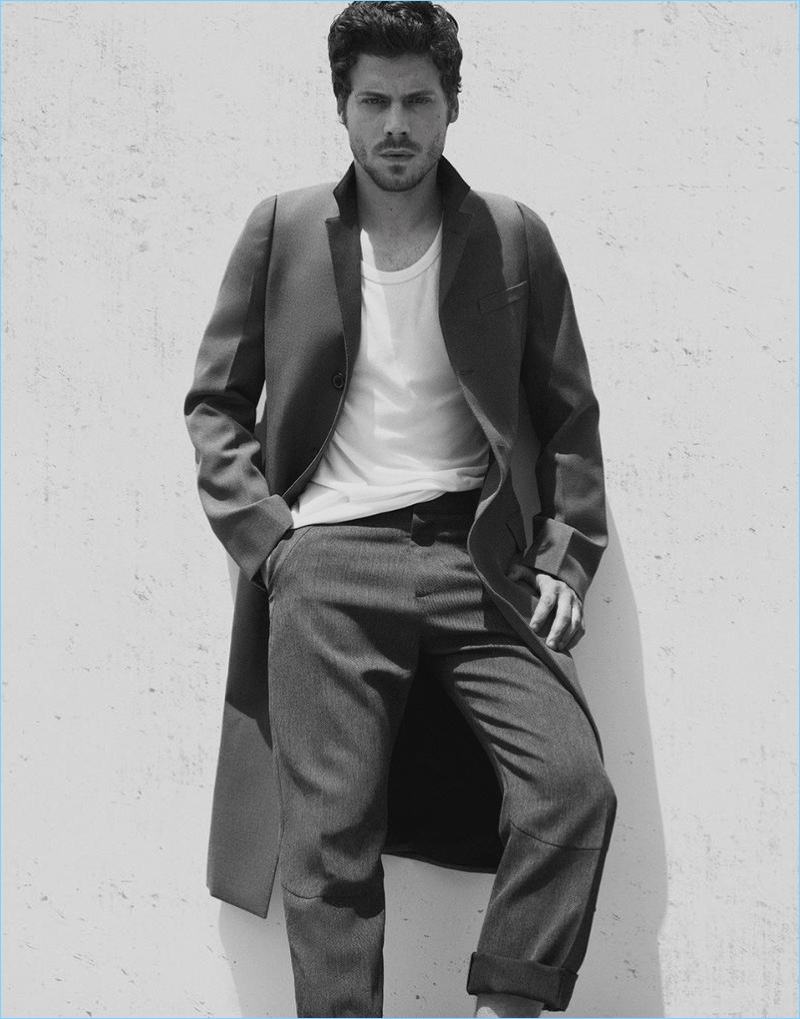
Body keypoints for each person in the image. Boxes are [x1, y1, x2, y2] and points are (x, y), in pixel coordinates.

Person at [184, 3, 616, 1016]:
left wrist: (564, 553)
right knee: (327, 837)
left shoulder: (511, 236)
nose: (395, 124)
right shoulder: (283, 229)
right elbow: (215, 404)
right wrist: (270, 543)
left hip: (471, 556)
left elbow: (567, 413)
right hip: (327, 559)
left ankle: (507, 1003)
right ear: (341, 106)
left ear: (450, 106)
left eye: (417, 101)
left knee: (570, 785)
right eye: (373, 100)